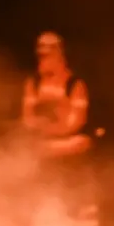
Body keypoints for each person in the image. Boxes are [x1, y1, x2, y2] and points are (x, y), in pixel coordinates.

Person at [20, 31, 92, 159]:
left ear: (60, 53)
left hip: (66, 143)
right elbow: (28, 118)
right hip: (41, 144)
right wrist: (38, 127)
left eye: (49, 54)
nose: (44, 59)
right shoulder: (33, 83)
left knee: (81, 142)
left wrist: (52, 129)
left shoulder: (75, 84)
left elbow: (76, 122)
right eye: (42, 55)